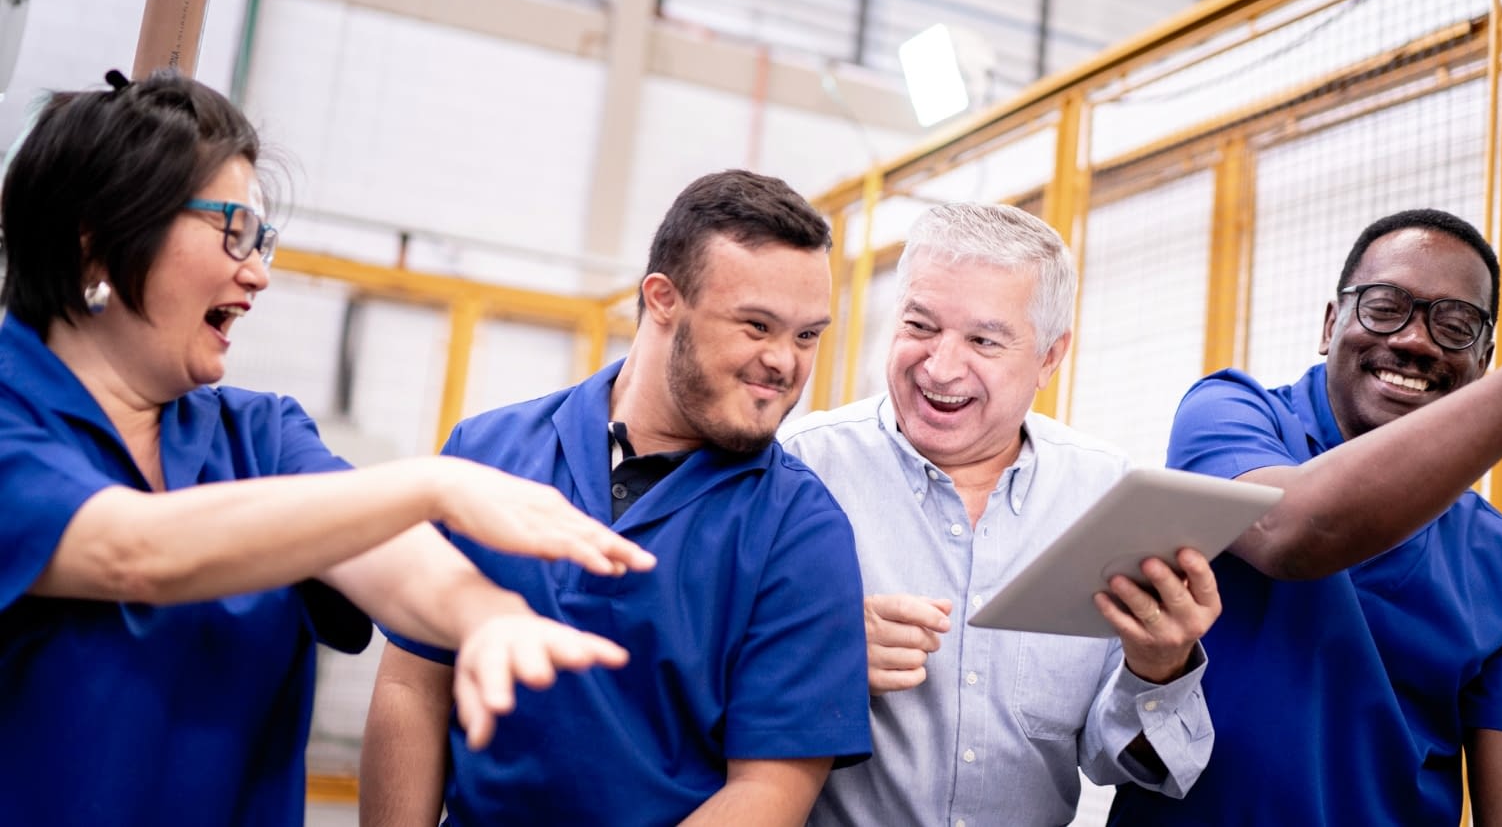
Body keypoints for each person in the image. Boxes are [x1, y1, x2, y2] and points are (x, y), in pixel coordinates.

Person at [0, 70, 658, 827]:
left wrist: (488, 617)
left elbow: (387, 558)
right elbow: (134, 551)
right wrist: (431, 484)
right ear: (96, 245)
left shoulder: (258, 435)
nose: (258, 273)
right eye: (233, 232)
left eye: (262, 240)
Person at [360, 169, 872, 826]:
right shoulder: (486, 455)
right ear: (663, 298)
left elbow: (769, 792)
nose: (785, 361)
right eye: (756, 326)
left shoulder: (801, 532)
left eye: (807, 335)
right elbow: (412, 685)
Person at [1110, 208, 1502, 826]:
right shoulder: (1233, 413)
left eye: (1456, 324)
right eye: (1385, 307)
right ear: (1332, 324)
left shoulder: (1501, 560)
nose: (1415, 340)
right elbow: (1293, 533)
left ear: (1485, 358)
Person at [778, 202, 1220, 826]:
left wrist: (1158, 669)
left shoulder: (1106, 496)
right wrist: (811, 652)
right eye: (920, 326)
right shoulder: (799, 469)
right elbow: (689, 684)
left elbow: (1122, 764)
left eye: (983, 340)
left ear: (1049, 357)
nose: (940, 366)